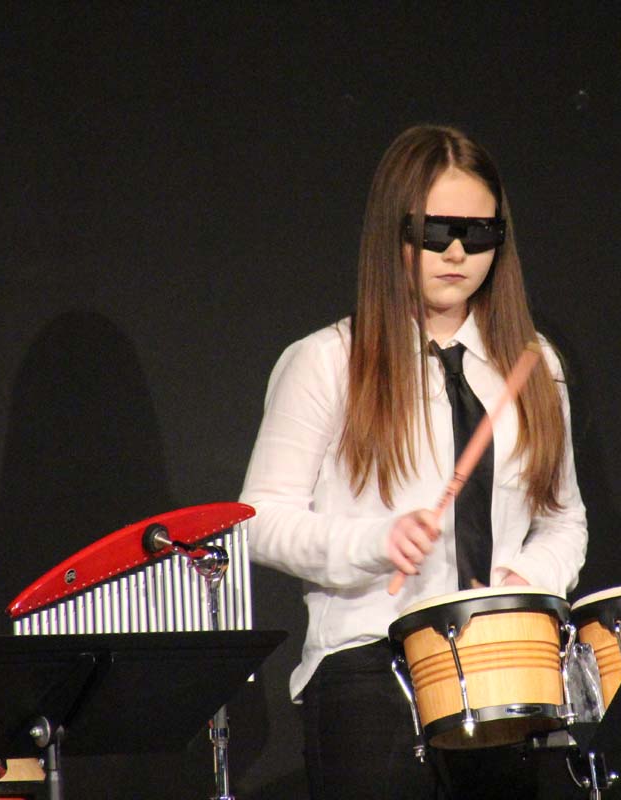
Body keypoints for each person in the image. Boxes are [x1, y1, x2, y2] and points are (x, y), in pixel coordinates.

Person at [239, 124, 588, 799]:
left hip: (501, 662)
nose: (457, 252)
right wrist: (376, 541)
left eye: (478, 234)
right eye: (436, 231)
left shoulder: (536, 365)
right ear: (393, 231)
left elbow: (563, 518)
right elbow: (259, 520)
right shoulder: (327, 362)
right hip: (370, 669)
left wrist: (526, 580)